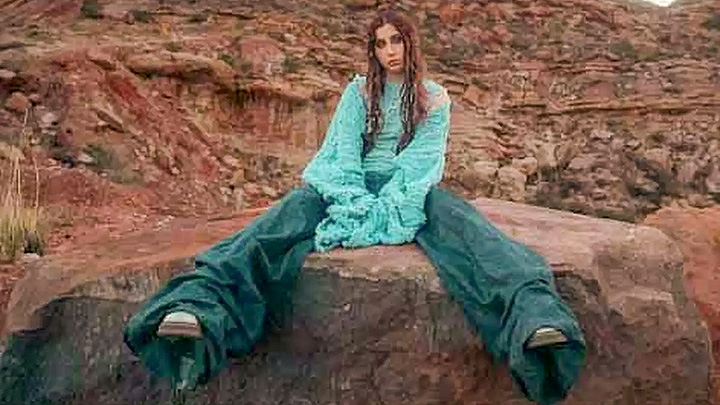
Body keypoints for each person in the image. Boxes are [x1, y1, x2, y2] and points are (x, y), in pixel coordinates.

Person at [124, 9, 586, 404]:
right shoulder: (358, 92)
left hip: (409, 189)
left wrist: (390, 206)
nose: (389, 51)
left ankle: (537, 319)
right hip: (348, 184)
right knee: (279, 222)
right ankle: (196, 308)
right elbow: (344, 151)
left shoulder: (435, 98)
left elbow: (421, 162)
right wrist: (354, 199)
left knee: (470, 232)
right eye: (380, 43)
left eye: (396, 40)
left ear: (411, 43)